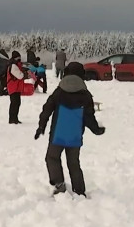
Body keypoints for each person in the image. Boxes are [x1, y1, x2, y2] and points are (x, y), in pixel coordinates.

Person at [35, 62, 105, 197]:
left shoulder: (59, 91)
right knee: (73, 163)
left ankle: (60, 185)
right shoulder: (86, 95)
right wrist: (96, 130)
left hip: (58, 134)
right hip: (75, 134)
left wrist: (41, 125)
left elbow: (47, 108)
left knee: (52, 157)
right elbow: (89, 117)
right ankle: (79, 191)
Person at [6, 51, 26, 124]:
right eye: (18, 57)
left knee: (16, 103)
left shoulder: (14, 65)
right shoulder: (13, 66)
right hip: (13, 87)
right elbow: (20, 76)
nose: (20, 59)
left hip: (15, 87)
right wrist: (24, 74)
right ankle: (12, 119)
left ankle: (14, 118)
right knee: (14, 103)